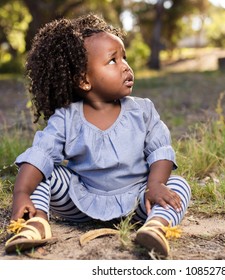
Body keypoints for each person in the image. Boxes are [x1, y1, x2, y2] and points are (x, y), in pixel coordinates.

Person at [5, 14, 191, 257]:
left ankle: (157, 227)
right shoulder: (66, 119)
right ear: (84, 80)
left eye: (124, 57)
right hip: (82, 202)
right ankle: (36, 222)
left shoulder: (142, 110)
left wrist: (155, 185)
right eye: (113, 60)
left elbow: (160, 151)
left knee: (178, 185)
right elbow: (40, 156)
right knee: (46, 175)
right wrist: (21, 194)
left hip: (139, 201)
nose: (125, 65)